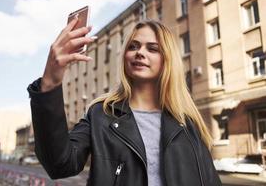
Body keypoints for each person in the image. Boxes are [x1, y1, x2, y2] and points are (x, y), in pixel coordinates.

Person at [27, 16, 222, 186]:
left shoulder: (187, 123)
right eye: (133, 46)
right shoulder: (101, 114)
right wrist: (50, 81)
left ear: (167, 61)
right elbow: (60, 165)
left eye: (152, 49)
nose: (140, 52)